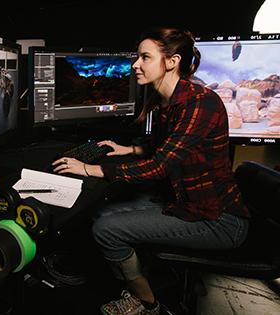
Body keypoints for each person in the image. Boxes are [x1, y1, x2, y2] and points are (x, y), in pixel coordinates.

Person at [52, 27, 250, 315]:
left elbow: (160, 166)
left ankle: (147, 303)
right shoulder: (168, 100)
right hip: (185, 201)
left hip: (219, 219)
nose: (135, 64)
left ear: (171, 61)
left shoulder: (200, 103)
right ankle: (135, 281)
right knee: (101, 212)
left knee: (105, 229)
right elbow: (167, 147)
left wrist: (88, 168)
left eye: (145, 57)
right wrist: (128, 150)